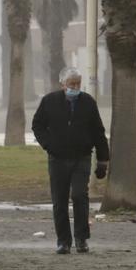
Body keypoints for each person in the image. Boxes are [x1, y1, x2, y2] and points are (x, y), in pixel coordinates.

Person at [32, 67, 111, 254]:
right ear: (63, 85)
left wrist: (102, 160)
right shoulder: (49, 101)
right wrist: (48, 144)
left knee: (79, 196)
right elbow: (37, 125)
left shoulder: (88, 103)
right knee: (59, 201)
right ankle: (63, 241)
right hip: (57, 158)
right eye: (71, 84)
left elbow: (98, 132)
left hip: (81, 157)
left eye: (77, 84)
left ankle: (81, 238)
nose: (75, 87)